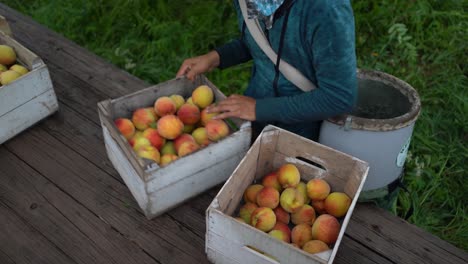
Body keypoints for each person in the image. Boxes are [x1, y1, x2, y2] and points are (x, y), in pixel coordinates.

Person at [177, 0, 357, 141]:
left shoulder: (327, 9)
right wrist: (215, 58)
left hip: (307, 131)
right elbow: (262, 42)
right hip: (256, 118)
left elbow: (338, 97)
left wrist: (258, 108)